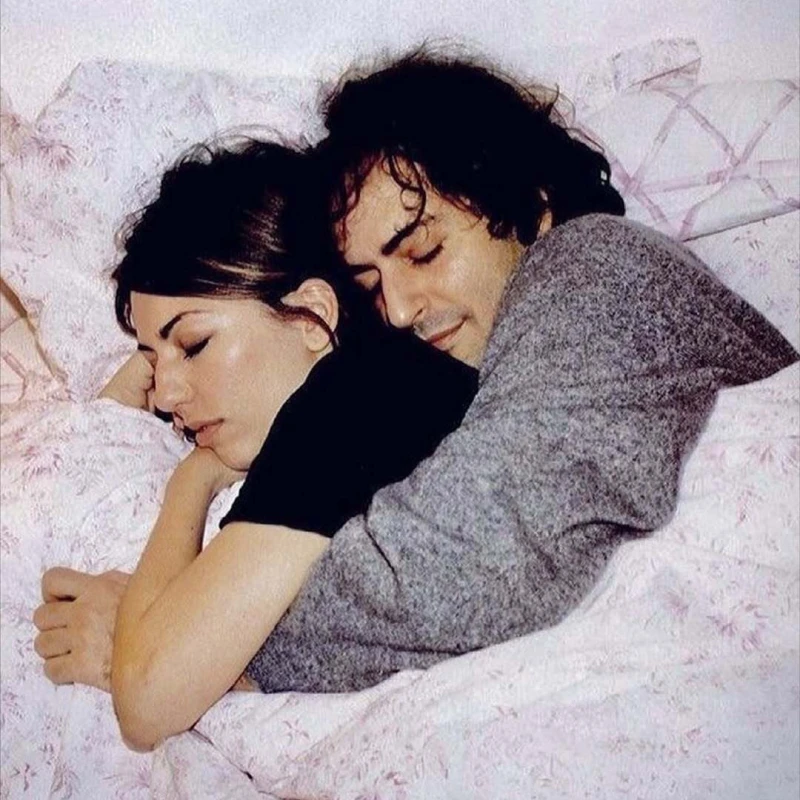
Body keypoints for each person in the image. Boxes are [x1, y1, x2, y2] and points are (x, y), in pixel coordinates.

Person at [237, 48, 799, 694]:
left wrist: (235, 653)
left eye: (423, 251)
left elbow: (478, 561)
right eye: (370, 288)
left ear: (531, 206)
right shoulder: (481, 381)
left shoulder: (596, 267)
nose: (398, 310)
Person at [32, 137, 478, 751]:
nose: (167, 394)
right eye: (153, 361)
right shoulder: (394, 390)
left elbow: (146, 698)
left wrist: (192, 479)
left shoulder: (353, 398)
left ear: (311, 315)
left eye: (193, 345)